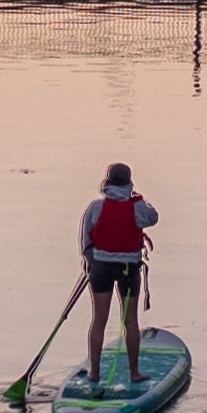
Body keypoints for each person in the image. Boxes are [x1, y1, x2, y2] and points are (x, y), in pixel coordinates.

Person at [76, 161, 159, 389]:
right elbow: (153, 217)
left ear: (108, 182)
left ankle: (94, 373)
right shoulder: (138, 207)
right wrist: (138, 198)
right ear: (129, 183)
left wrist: (90, 261)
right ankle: (134, 373)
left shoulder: (95, 208)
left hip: (100, 268)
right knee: (130, 321)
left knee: (98, 321)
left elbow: (86, 242)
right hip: (128, 269)